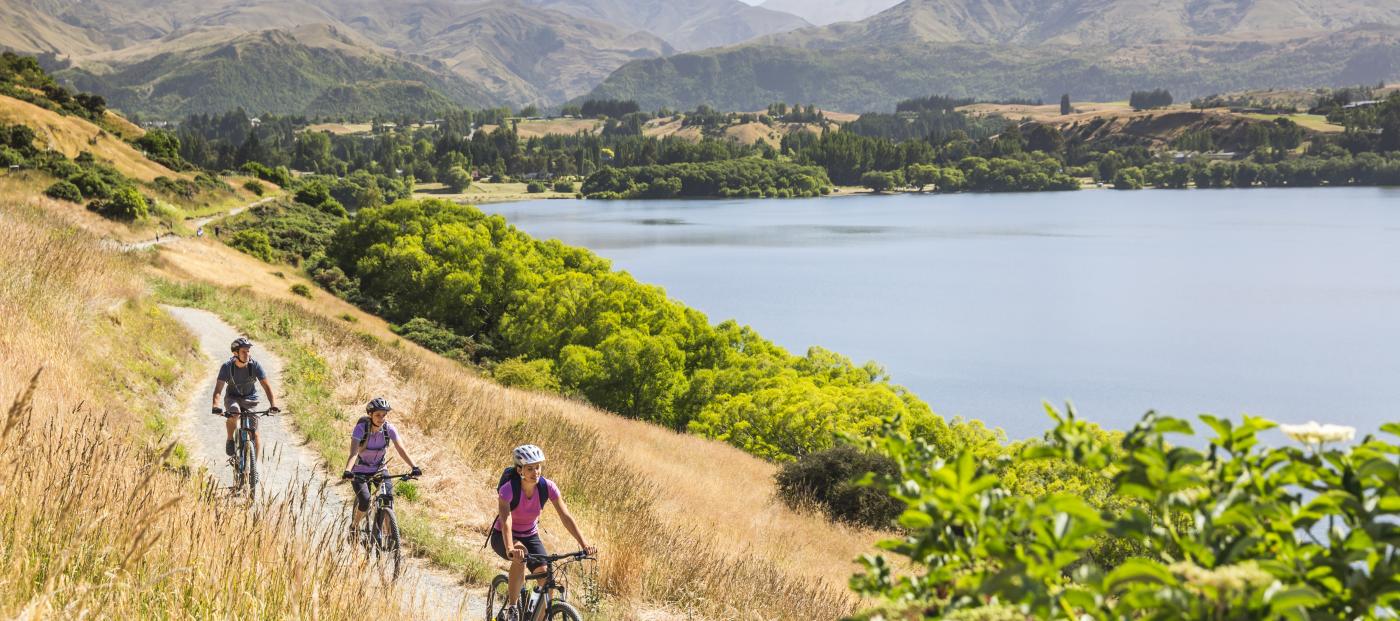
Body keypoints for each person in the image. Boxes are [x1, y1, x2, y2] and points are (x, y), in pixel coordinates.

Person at [492, 444, 595, 621]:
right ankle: (512, 608)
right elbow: (506, 519)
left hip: (530, 535)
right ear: (519, 470)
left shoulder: (547, 487)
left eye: (538, 467)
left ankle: (535, 616)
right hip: (504, 537)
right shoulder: (508, 489)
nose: (535, 472)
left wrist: (584, 544)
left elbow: (566, 516)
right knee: (520, 555)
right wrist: (510, 546)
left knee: (547, 579)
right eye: (530, 468)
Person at [340, 398, 422, 542]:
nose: (381, 418)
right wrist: (348, 470)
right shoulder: (361, 428)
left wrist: (414, 466)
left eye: (384, 415)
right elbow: (353, 453)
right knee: (365, 500)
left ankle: (390, 533)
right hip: (359, 470)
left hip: (379, 469)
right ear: (370, 414)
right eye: (378, 415)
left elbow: (401, 449)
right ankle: (354, 525)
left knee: (387, 498)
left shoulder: (388, 428)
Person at [211, 337, 278, 458]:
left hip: (250, 399)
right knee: (235, 413)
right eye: (243, 351)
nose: (247, 354)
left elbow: (267, 387)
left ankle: (255, 468)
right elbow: (218, 390)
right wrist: (215, 406)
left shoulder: (255, 366)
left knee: (255, 434)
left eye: (248, 351)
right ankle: (230, 439)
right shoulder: (227, 367)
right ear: (235, 353)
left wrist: (273, 405)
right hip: (232, 398)